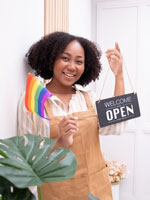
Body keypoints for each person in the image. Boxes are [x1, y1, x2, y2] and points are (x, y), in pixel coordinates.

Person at [18, 31, 126, 200]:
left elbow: (116, 125)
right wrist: (60, 142)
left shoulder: (89, 97)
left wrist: (119, 76)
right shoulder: (33, 99)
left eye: (79, 61)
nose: (72, 67)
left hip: (96, 189)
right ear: (51, 58)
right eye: (65, 58)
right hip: (57, 192)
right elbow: (27, 157)